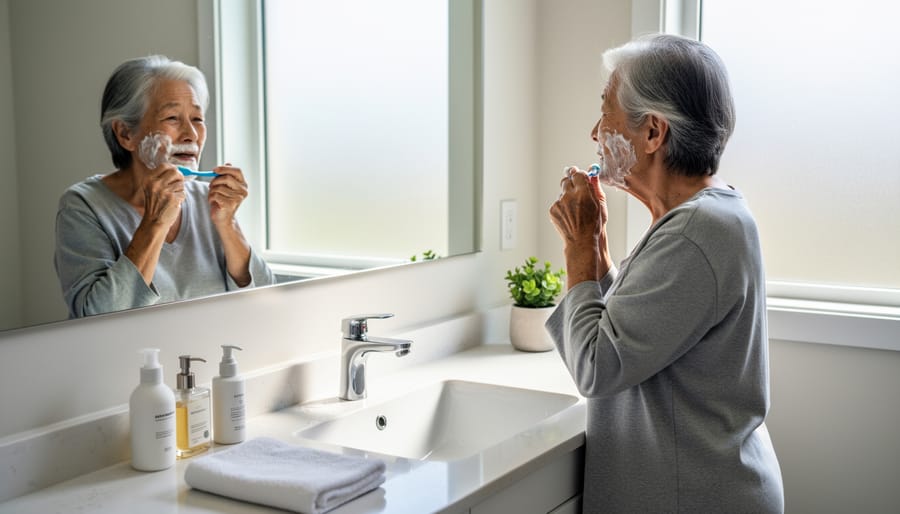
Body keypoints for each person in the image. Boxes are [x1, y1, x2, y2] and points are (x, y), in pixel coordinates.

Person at [547, 34, 784, 513]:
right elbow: (642, 334)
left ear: (653, 133)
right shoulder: (702, 218)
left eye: (606, 110)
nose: (595, 132)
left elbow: (599, 366)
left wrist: (577, 249)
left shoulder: (696, 232)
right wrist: (598, 257)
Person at [55, 55, 274, 318]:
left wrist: (228, 225)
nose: (191, 135)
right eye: (172, 117)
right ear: (126, 134)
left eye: (197, 119)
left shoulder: (210, 200)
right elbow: (96, 318)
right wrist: (154, 223)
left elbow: (266, 306)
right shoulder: (83, 206)